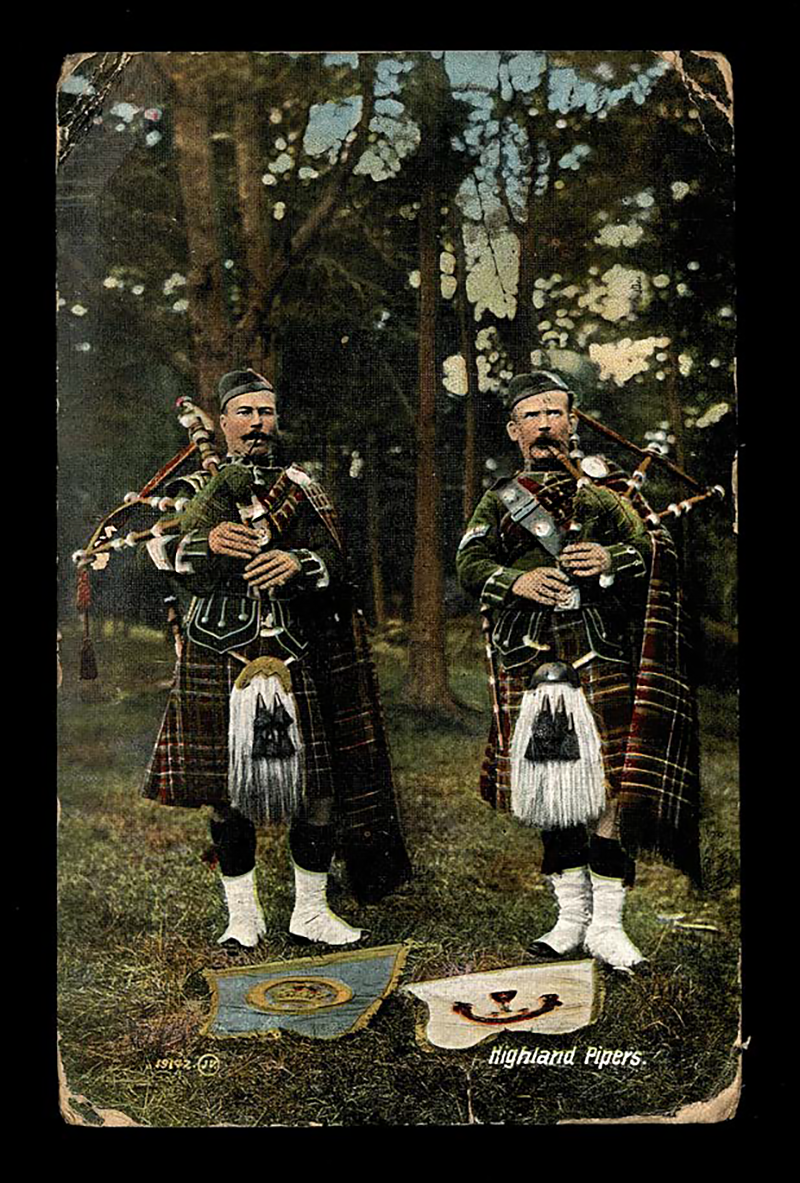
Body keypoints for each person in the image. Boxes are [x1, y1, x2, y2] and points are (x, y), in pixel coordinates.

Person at [142, 368, 411, 949]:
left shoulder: (301, 487)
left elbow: (336, 557)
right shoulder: (194, 488)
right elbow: (159, 552)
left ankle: (309, 911)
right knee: (224, 790)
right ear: (222, 423)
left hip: (294, 647)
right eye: (246, 413)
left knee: (317, 787)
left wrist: (298, 565)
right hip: (220, 647)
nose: (258, 423)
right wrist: (205, 543)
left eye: (266, 412)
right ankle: (242, 915)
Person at [457, 370, 700, 973]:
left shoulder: (611, 489)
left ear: (574, 422)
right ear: (515, 431)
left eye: (554, 414)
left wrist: (610, 558)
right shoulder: (501, 496)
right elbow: (469, 560)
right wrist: (517, 578)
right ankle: (569, 920)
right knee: (552, 789)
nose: (544, 426)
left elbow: (655, 546)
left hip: (600, 651)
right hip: (534, 659)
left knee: (610, 788)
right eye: (532, 417)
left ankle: (609, 927)